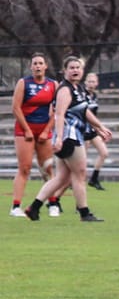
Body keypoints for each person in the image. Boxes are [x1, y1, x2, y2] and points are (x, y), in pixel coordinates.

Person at [19, 55, 108, 222]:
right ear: (64, 71)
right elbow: (59, 115)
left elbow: (85, 111)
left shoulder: (78, 89)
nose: (75, 70)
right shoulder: (65, 89)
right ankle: (84, 212)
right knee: (80, 174)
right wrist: (59, 138)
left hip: (73, 136)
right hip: (69, 137)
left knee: (62, 178)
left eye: (78, 68)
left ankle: (34, 208)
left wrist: (100, 127)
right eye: (71, 68)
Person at [11, 52, 58, 216]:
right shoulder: (23, 83)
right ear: (31, 67)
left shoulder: (53, 85)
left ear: (45, 66)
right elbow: (16, 108)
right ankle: (16, 207)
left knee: (48, 168)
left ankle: (53, 204)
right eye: (35, 63)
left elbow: (57, 110)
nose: (38, 66)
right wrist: (27, 130)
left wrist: (46, 130)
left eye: (40, 63)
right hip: (24, 129)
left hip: (44, 129)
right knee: (25, 168)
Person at [81, 72, 112, 190]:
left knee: (104, 153)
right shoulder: (82, 95)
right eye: (89, 81)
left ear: (97, 83)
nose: (91, 84)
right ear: (85, 82)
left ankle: (94, 178)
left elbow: (94, 116)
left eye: (93, 82)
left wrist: (100, 130)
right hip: (84, 130)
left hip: (93, 130)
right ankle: (73, 181)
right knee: (81, 160)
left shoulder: (94, 96)